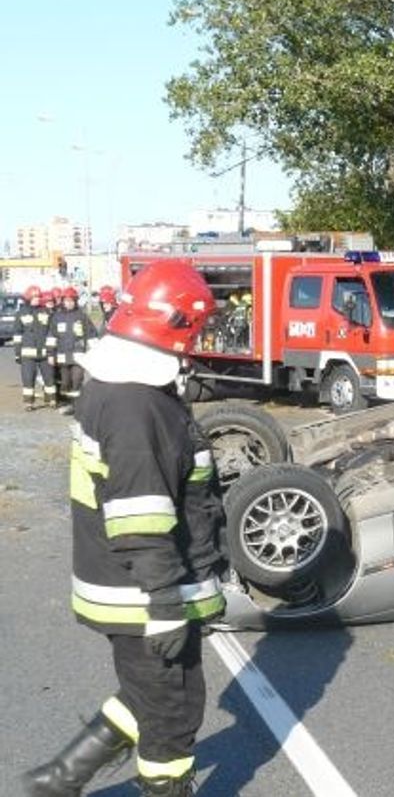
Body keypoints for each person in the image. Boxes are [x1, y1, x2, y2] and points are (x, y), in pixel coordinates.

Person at [22, 260, 228, 797]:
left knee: (148, 693)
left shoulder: (119, 387)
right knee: (170, 716)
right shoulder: (137, 403)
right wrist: (165, 604)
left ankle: (59, 779)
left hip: (128, 583)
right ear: (179, 324)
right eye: (198, 327)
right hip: (142, 593)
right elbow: (141, 516)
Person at [49, 286, 99, 413]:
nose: (69, 303)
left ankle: (76, 405)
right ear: (63, 302)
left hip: (78, 355)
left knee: (77, 378)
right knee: (65, 381)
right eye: (66, 301)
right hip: (62, 355)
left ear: (75, 301)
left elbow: (91, 334)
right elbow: (51, 337)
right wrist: (50, 354)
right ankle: (66, 403)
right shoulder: (57, 317)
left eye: (71, 300)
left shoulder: (82, 316)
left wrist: (95, 351)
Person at [13, 284, 58, 409]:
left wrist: (51, 353)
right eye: (35, 297)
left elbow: (51, 333)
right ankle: (29, 402)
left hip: (44, 353)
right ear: (28, 298)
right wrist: (17, 353)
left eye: (38, 297)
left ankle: (51, 400)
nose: (37, 299)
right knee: (28, 378)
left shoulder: (46, 312)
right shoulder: (21, 313)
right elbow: (17, 334)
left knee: (49, 378)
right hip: (27, 354)